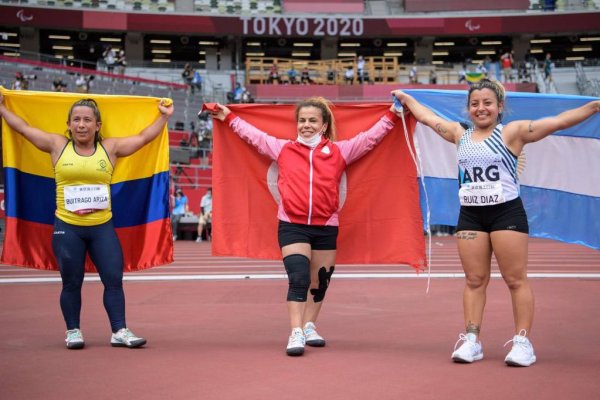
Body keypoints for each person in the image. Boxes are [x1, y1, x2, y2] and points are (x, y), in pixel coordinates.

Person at [392, 80, 600, 367]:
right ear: (468, 109)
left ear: (500, 106)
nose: (481, 108)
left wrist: (595, 105)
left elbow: (558, 122)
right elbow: (427, 118)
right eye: (475, 104)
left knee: (515, 280)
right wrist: (405, 97)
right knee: (474, 280)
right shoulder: (458, 133)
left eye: (488, 103)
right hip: (470, 217)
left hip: (506, 215)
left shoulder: (511, 133)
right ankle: (472, 340)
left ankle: (523, 342)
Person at [209, 96, 403, 356]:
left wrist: (392, 114)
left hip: (326, 226)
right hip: (292, 225)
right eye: (302, 120)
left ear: (323, 126)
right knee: (298, 278)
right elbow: (253, 135)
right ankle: (296, 331)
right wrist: (228, 117)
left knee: (320, 281)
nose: (306, 125)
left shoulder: (339, 151)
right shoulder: (282, 149)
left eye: (313, 120)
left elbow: (370, 138)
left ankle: (310, 325)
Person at [0, 93, 174, 349]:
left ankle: (119, 330)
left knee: (114, 280)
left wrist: (163, 117)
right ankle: (73, 331)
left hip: (102, 227)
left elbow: (144, 138)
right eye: (76, 120)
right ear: (69, 125)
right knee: (71, 282)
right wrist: (2, 109)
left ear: (97, 125)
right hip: (67, 227)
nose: (81, 124)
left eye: (87, 120)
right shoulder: (57, 145)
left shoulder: (110, 148)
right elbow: (24, 129)